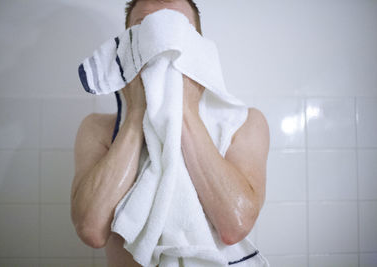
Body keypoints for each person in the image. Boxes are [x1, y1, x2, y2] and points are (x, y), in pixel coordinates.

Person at [71, 0, 270, 266]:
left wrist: (185, 110)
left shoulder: (243, 124)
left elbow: (234, 225)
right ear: (127, 47)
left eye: (175, 30)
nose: (159, 43)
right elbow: (91, 230)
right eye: (145, 30)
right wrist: (135, 115)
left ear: (197, 48)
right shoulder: (97, 129)